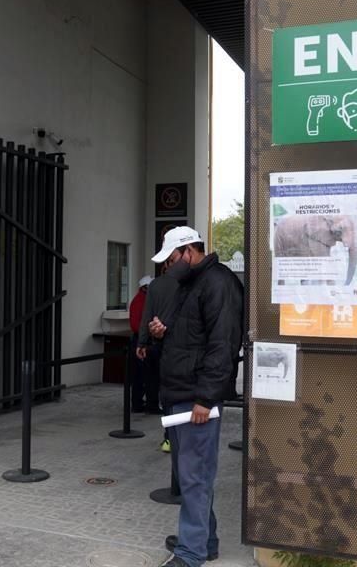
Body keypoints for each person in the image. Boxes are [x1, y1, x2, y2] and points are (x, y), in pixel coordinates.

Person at [148, 226, 243, 567]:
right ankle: (204, 540)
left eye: (172, 259)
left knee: (194, 478)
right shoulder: (187, 285)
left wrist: (205, 398)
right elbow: (186, 338)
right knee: (193, 476)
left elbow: (222, 345)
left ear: (188, 251)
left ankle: (189, 554)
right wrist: (159, 333)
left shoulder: (218, 283)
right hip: (180, 394)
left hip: (195, 398)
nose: (168, 267)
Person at [138, 262, 180, 451]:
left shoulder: (156, 286)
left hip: (160, 344)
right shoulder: (190, 282)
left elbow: (147, 315)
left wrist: (142, 342)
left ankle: (169, 437)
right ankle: (180, 435)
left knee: (166, 392)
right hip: (185, 345)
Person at [128, 276, 154, 412]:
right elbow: (136, 324)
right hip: (142, 340)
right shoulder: (141, 301)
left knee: (141, 375)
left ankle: (139, 402)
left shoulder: (140, 300)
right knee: (141, 375)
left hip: (141, 338)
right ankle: (138, 403)